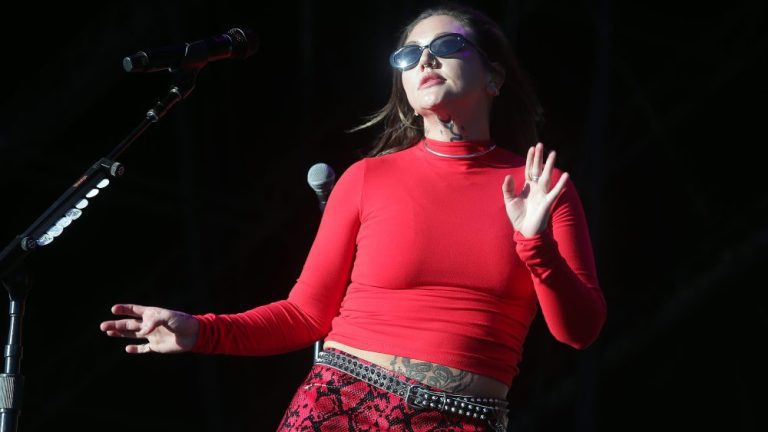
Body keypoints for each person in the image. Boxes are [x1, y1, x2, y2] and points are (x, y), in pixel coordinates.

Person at [100, 4, 606, 431]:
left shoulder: (541, 188)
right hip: (340, 404)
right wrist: (200, 330)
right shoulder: (368, 179)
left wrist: (535, 247)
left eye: (449, 46)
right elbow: (305, 315)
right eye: (408, 55)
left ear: (494, 76)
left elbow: (579, 331)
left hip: (463, 420)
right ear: (404, 87)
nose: (426, 58)